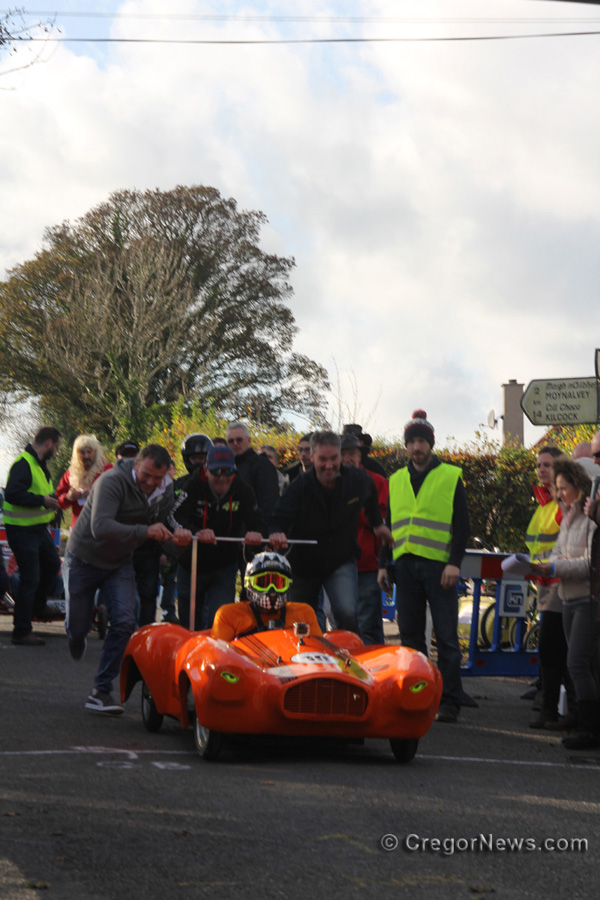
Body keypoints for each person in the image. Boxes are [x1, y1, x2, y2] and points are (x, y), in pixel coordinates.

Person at [65, 444, 188, 714]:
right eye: (146, 475)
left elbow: (162, 528)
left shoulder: (165, 491)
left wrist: (178, 542)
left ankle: (101, 691)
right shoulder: (111, 481)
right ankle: (76, 634)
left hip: (119, 562)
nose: (151, 483)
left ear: (166, 474)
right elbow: (100, 527)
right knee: (78, 627)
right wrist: (145, 531)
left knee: (124, 621)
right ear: (136, 465)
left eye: (158, 478)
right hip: (84, 557)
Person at [378, 410, 470, 724]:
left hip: (439, 568)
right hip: (405, 568)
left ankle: (449, 702)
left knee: (446, 639)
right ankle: (417, 696)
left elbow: (462, 526)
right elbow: (389, 526)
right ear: (406, 446)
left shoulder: (450, 476)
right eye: (412, 442)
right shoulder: (396, 480)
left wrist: (454, 564)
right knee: (410, 637)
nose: (417, 447)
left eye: (422, 441)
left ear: (431, 444)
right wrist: (383, 565)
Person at [269, 431, 391, 633]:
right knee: (300, 619)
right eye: (322, 459)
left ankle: (348, 649)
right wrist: (277, 532)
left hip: (340, 559)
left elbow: (370, 494)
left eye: (334, 458)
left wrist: (377, 524)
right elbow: (279, 516)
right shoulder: (299, 486)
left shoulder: (357, 479)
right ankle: (306, 650)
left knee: (347, 613)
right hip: (304, 563)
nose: (329, 465)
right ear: (313, 457)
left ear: (340, 456)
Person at [536, 456, 598, 749]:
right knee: (582, 665)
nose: (558, 494)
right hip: (569, 598)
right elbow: (558, 553)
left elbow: (589, 565)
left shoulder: (590, 521)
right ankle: (586, 726)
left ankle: (589, 729)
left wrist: (554, 567)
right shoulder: (569, 516)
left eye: (563, 488)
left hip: (587, 599)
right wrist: (547, 565)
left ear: (579, 488)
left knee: (577, 664)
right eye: (557, 489)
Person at [167, 444, 265, 630]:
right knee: (189, 624)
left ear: (234, 471)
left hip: (224, 566)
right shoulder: (193, 485)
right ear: (206, 470)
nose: (222, 477)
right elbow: (174, 516)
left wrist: (255, 534)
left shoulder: (242, 489)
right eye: (216, 472)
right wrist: (195, 532)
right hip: (191, 564)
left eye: (228, 472)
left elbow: (258, 521)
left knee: (219, 621)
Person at [525, 445, 575, 730]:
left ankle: (554, 710)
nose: (541, 469)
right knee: (555, 650)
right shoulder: (545, 503)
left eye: (547, 465)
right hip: (545, 584)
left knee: (553, 649)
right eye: (538, 465)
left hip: (560, 584)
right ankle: (557, 710)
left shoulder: (561, 504)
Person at [3, 426, 62, 646]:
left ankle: (38, 605)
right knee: (30, 577)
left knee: (52, 564)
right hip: (21, 529)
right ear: (49, 443)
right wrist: (42, 501)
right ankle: (21, 631)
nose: (56, 451)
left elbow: (39, 493)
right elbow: (12, 494)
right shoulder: (24, 463)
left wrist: (51, 504)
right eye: (57, 446)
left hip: (37, 529)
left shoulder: (39, 464)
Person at [340, 432, 388, 644]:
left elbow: (381, 520)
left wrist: (349, 508)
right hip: (336, 567)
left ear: (360, 456)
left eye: (351, 453)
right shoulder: (327, 481)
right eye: (342, 454)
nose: (347, 459)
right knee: (342, 629)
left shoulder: (377, 481)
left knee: (368, 627)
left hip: (367, 564)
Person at [211, 551, 322, 641]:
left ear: (289, 585)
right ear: (248, 583)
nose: (271, 591)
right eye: (262, 583)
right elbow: (218, 655)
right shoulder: (228, 615)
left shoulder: (304, 612)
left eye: (278, 583)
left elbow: (320, 651)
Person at [225, 422, 280, 519]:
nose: (235, 443)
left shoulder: (263, 466)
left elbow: (270, 504)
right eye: (231, 441)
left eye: (239, 440)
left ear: (249, 440)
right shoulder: (225, 466)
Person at [56, 435, 112, 528]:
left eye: (89, 452)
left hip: (103, 527)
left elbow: (118, 496)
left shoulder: (108, 470)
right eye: (82, 452)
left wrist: (96, 494)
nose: (86, 456)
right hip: (78, 528)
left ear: (95, 452)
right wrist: (68, 497)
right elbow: (58, 500)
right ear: (77, 454)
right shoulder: (70, 473)